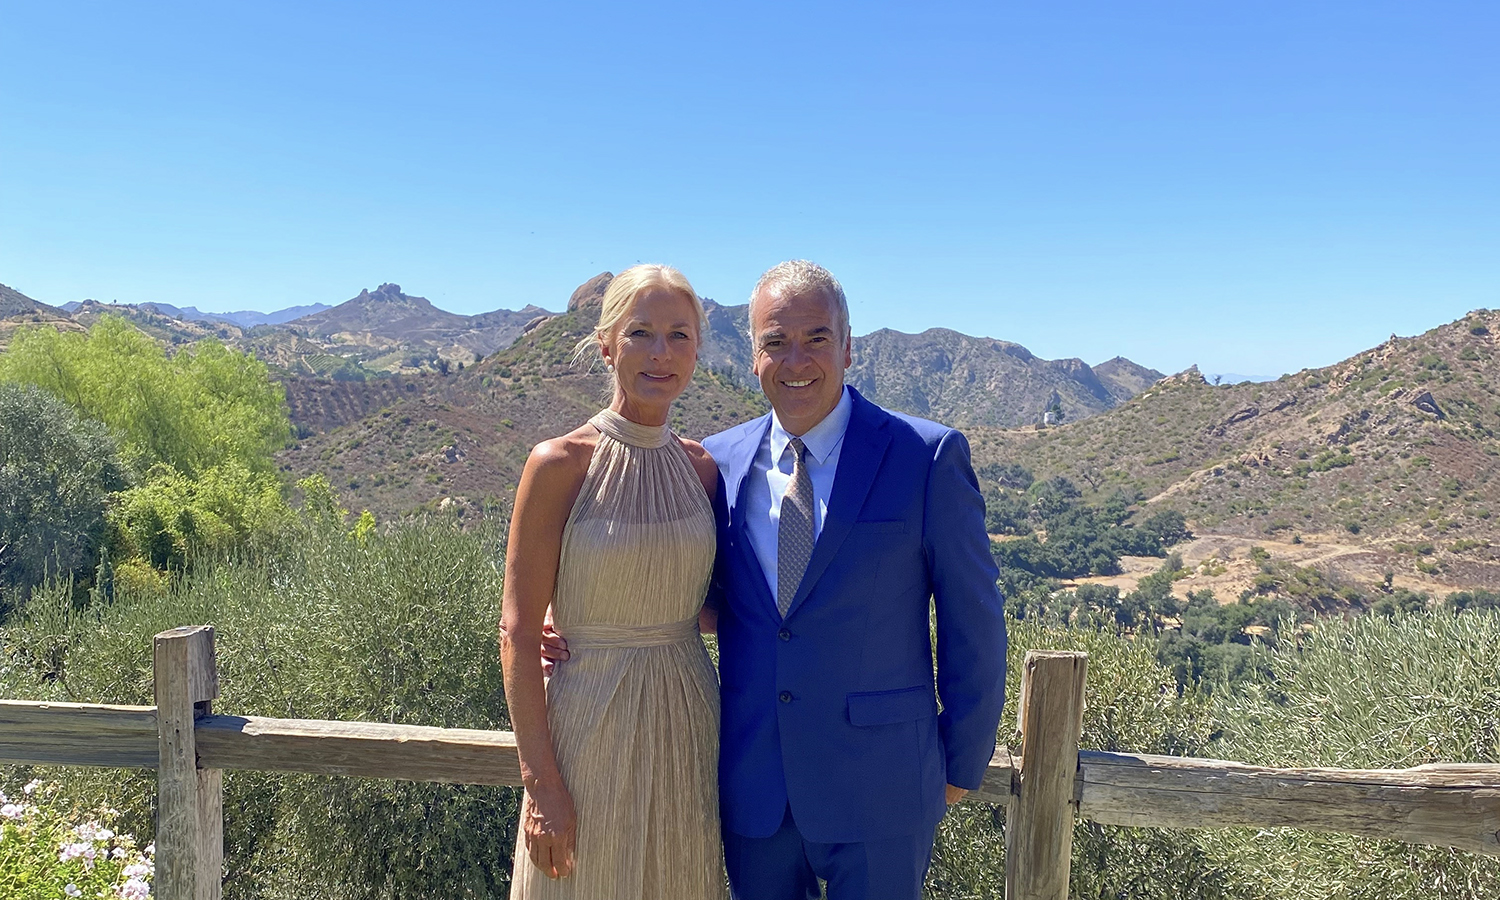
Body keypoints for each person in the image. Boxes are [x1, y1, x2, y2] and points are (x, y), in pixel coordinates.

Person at [702, 261, 1007, 900]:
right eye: (775, 342)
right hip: (755, 788)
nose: (797, 360)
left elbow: (972, 618)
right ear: (752, 354)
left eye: (816, 338)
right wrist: (574, 620)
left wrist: (961, 761)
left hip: (886, 787)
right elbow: (688, 592)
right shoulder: (716, 462)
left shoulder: (925, 456)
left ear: (848, 346)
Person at [499, 264, 727, 900]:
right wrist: (542, 787)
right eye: (641, 333)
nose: (662, 353)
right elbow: (516, 630)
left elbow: (710, 608)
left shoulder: (704, 469)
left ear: (697, 350)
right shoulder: (557, 464)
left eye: (679, 335)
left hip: (689, 724)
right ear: (607, 345)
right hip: (587, 727)